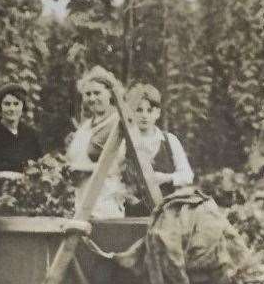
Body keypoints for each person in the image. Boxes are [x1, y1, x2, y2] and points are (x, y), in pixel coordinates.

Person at [65, 66, 128, 219]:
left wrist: (82, 168)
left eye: (97, 93)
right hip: (81, 198)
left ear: (110, 94)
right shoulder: (86, 126)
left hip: (106, 199)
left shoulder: (119, 122)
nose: (92, 98)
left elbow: (117, 165)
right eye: (88, 94)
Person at [122, 84, 194, 214]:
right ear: (131, 112)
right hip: (131, 213)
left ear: (158, 113)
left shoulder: (169, 140)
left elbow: (188, 175)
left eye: (149, 110)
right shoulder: (124, 142)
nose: (144, 115)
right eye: (139, 110)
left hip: (166, 213)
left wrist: (166, 178)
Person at [0, 83, 43, 201]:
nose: (12, 109)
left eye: (16, 104)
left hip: (27, 201)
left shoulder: (32, 136)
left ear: (23, 106)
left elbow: (40, 170)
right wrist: (7, 175)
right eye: (7, 104)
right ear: (0, 107)